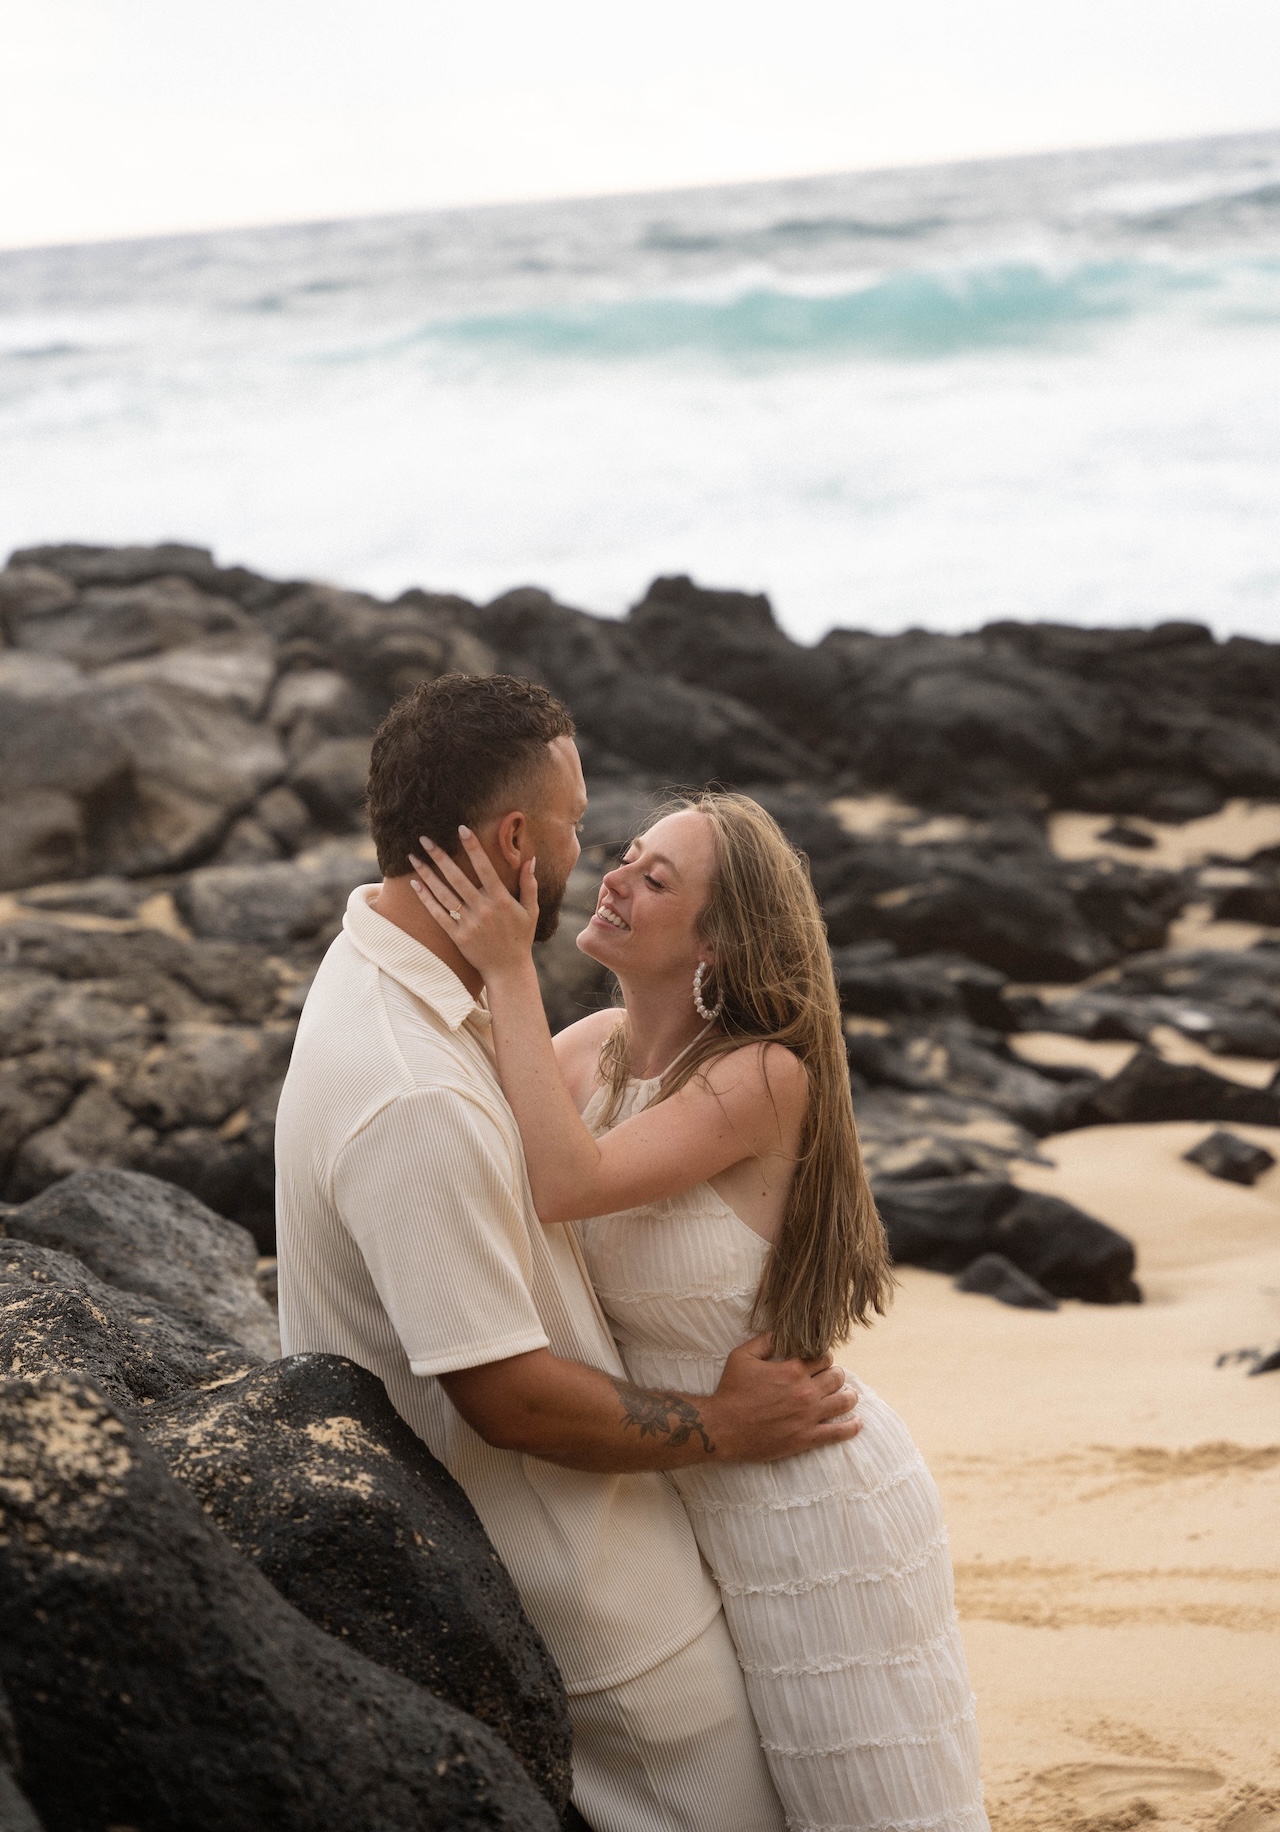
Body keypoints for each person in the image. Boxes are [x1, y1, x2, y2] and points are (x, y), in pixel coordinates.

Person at [274, 673, 864, 1832]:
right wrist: (728, 1429)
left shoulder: (385, 984)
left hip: (665, 1535)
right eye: (582, 827)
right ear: (512, 840)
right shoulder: (415, 1089)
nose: (592, 855)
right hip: (595, 1602)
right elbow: (506, 1397)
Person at [409, 787, 990, 1832]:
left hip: (810, 1497)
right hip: (682, 1480)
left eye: (655, 876)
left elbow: (563, 1184)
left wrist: (506, 965)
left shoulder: (761, 1078)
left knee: (863, 1807)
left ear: (717, 939)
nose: (614, 877)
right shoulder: (585, 1051)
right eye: (622, 855)